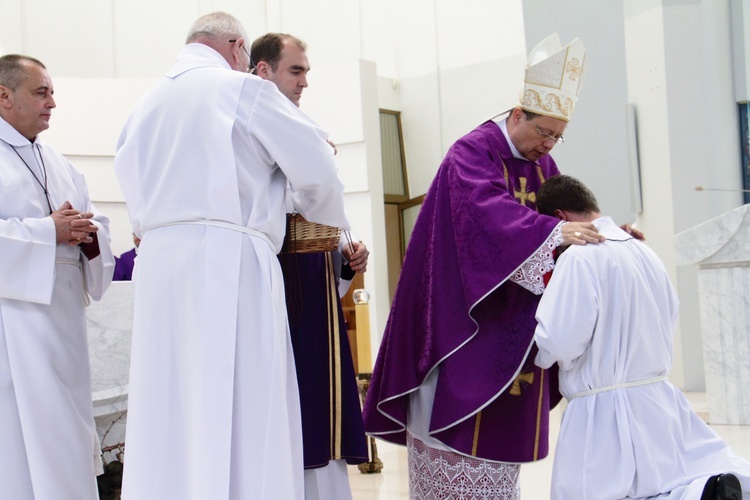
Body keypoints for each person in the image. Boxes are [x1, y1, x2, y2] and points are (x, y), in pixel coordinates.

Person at [113, 12, 350, 499]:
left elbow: (131, 190)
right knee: (244, 394)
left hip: (159, 264)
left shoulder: (144, 106)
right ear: (239, 47)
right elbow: (319, 171)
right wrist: (310, 210)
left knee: (171, 397)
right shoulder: (242, 89)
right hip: (231, 256)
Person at [362, 33, 604, 498]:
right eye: (543, 132)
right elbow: (486, 215)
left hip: (511, 333)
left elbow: (567, 215)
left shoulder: (542, 165)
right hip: (460, 325)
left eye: (557, 136)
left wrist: (607, 234)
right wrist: (552, 235)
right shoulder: (470, 153)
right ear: (518, 115)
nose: (549, 145)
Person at [534, 174, 750, 500]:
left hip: (601, 407)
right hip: (654, 396)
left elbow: (559, 341)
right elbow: (670, 310)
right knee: (659, 482)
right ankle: (706, 494)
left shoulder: (579, 257)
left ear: (560, 218)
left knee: (601, 491)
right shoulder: (644, 251)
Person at [251, 32, 369, 500]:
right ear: (263, 70)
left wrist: (346, 256)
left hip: (314, 285)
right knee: (289, 399)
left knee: (324, 402)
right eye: (295, 71)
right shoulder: (245, 131)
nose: (303, 83)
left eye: (305, 72)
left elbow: (323, 212)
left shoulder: (304, 126)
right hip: (277, 283)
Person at [0, 54, 115, 499]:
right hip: (14, 325)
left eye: (52, 93)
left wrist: (88, 234)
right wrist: (48, 229)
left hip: (63, 324)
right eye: (41, 92)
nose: (52, 103)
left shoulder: (62, 164)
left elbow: (95, 225)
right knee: (17, 436)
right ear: (4, 96)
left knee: (65, 432)